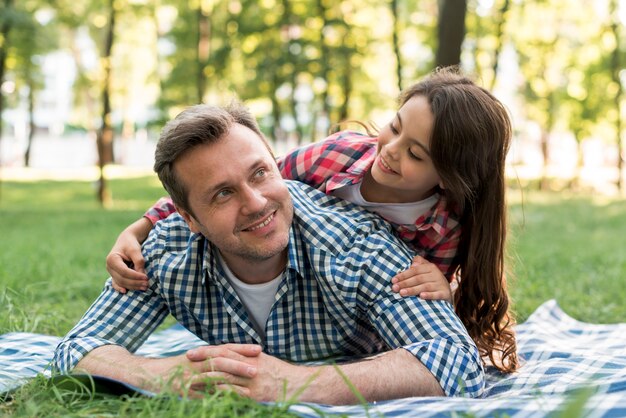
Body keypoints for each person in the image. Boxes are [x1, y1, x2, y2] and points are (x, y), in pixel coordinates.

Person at [53, 101, 484, 404]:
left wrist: (296, 383)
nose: (257, 203)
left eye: (260, 173)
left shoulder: (358, 246)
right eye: (223, 193)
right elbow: (76, 349)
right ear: (189, 218)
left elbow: (458, 361)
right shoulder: (165, 252)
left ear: (276, 165)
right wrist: (163, 375)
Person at [106, 68, 518, 373]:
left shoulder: (445, 228)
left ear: (448, 176)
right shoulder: (335, 155)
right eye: (394, 127)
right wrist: (139, 228)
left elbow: (420, 313)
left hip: (365, 326)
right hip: (304, 287)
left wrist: (441, 287)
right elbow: (248, 179)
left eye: (416, 154)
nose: (390, 151)